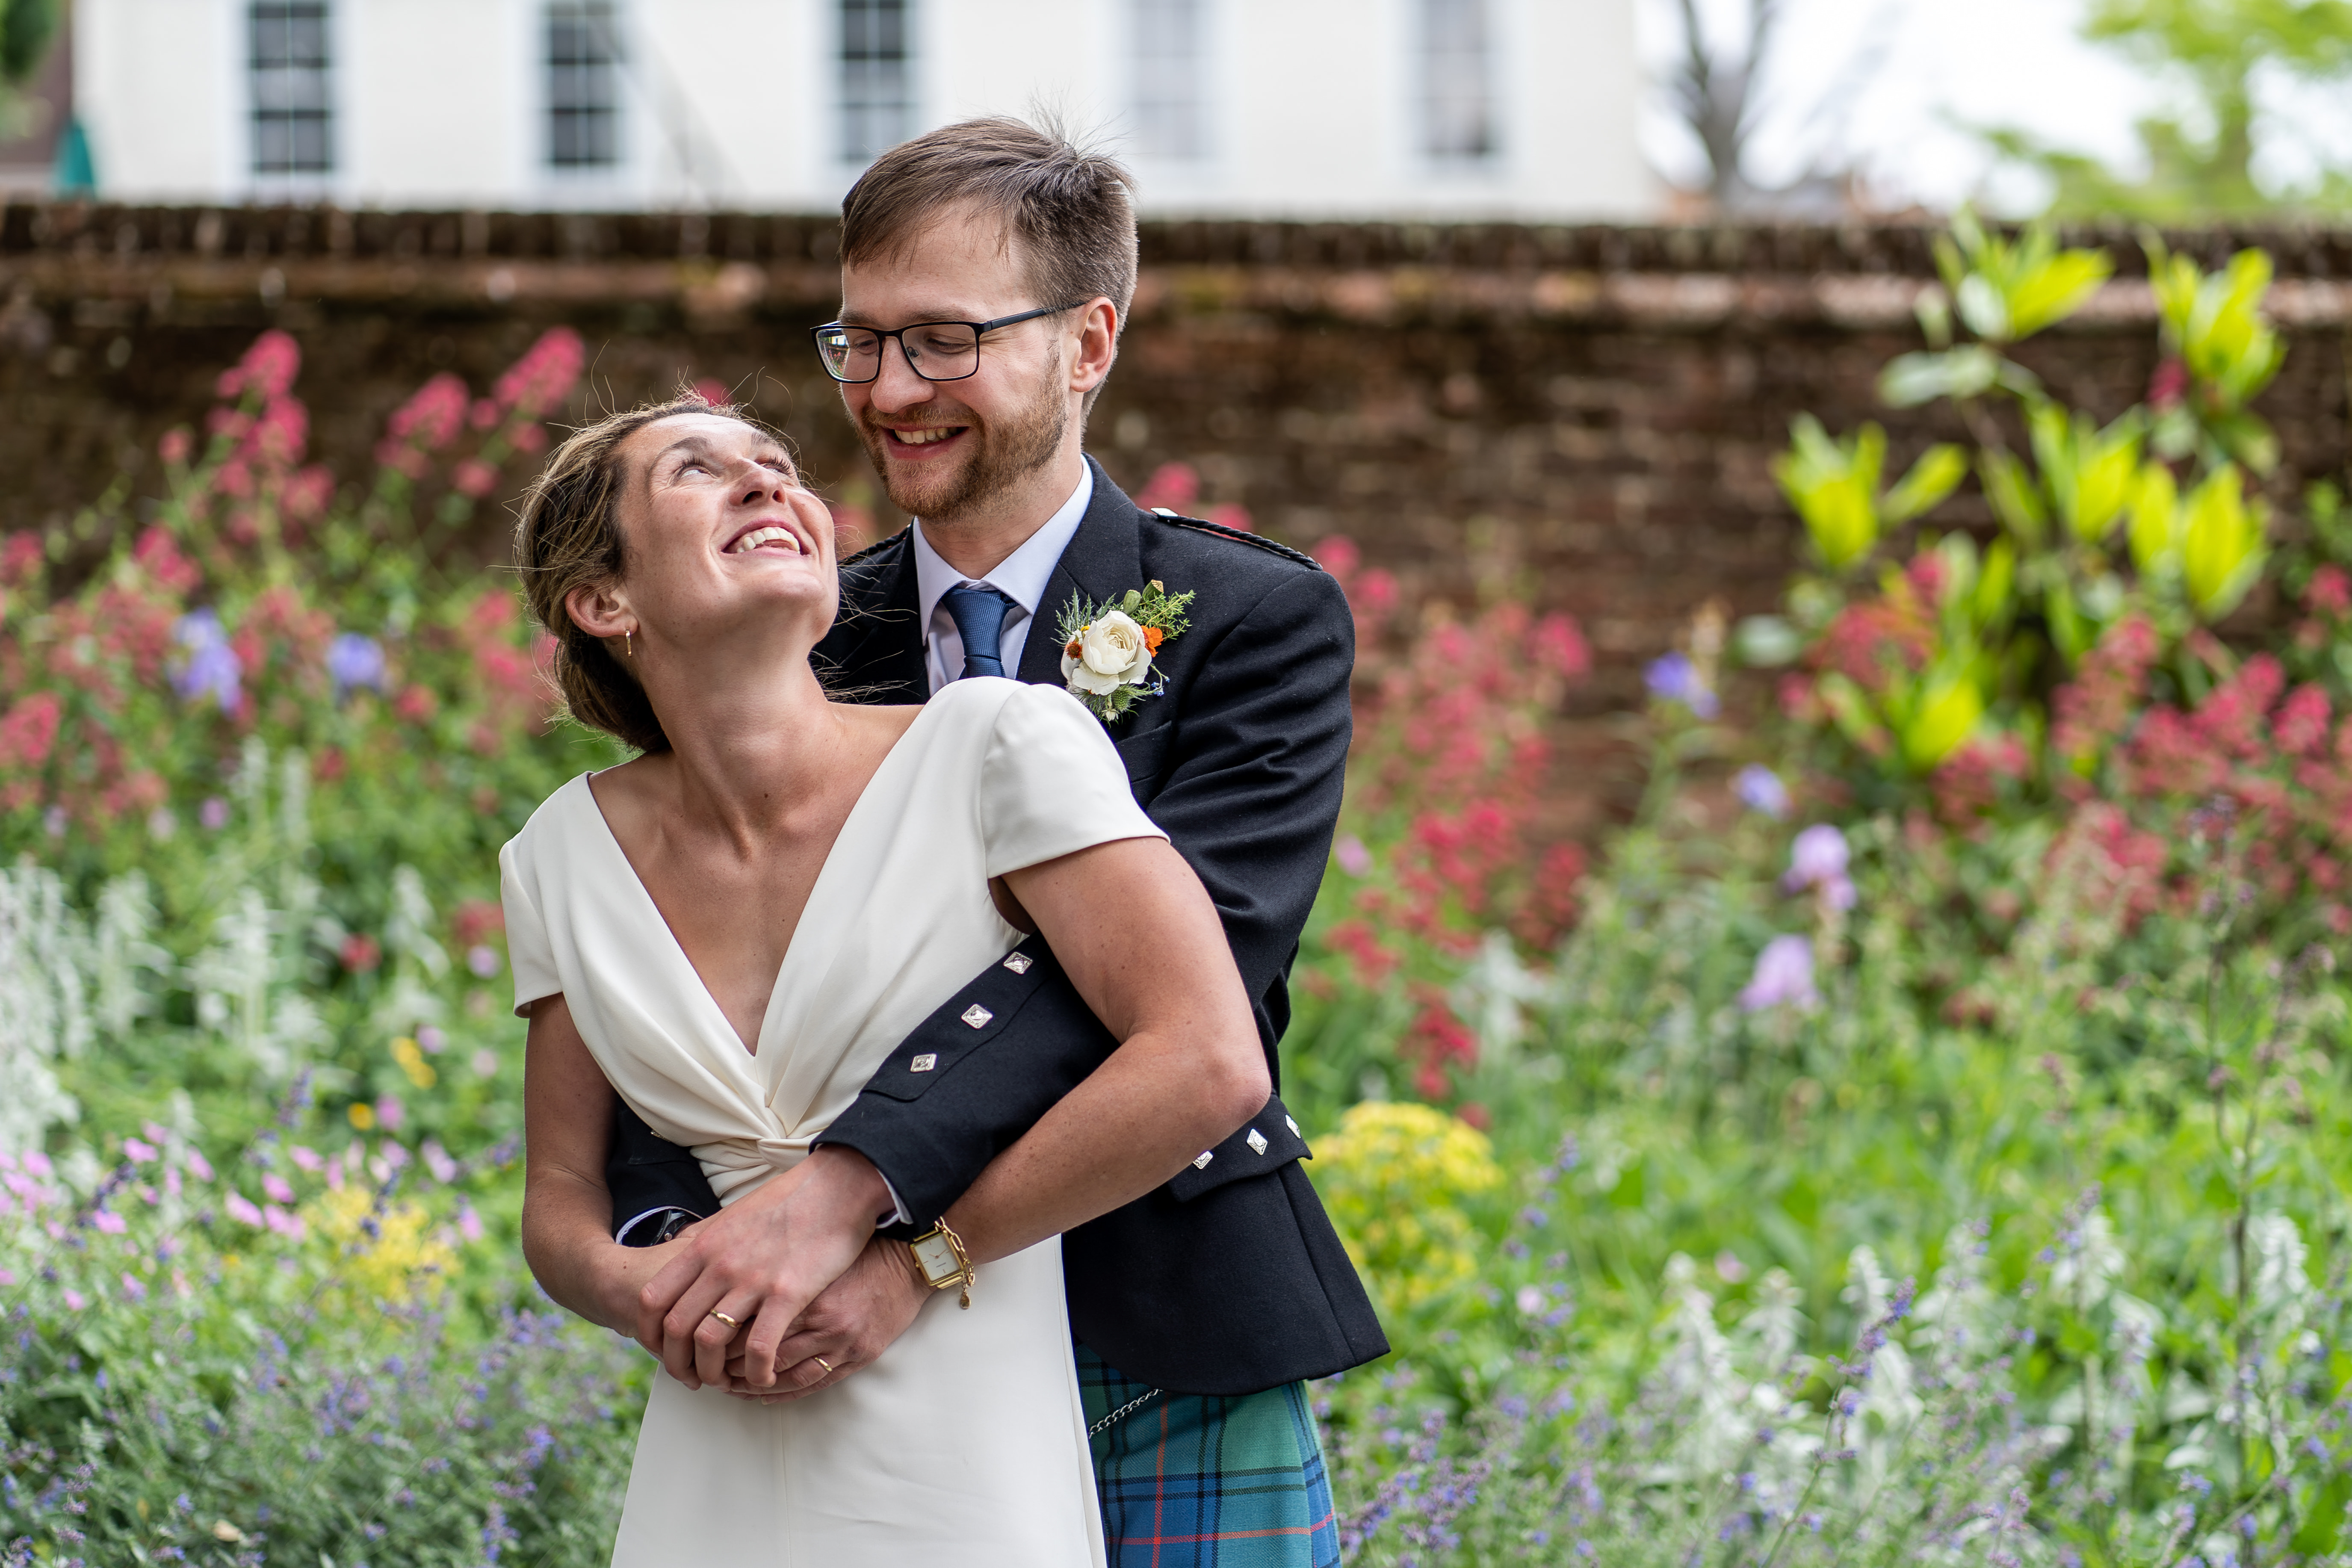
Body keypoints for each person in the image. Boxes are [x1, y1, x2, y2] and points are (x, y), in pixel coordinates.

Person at [604, 117, 1387, 1567]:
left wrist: (873, 1208)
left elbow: (1169, 988)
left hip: (1155, 1322)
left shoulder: (1248, 624)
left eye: (945, 339)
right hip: (840, 1338)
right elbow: (675, 961)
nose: (890, 392)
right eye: (863, 341)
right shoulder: (786, 630)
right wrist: (680, 1257)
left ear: (1088, 342)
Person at [506, 396, 1274, 1564]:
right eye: (697, 471)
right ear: (603, 600)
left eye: (777, 465)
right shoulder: (559, 854)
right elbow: (560, 1190)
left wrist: (914, 1260)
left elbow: (1207, 1059)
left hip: (959, 1428)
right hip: (718, 1439)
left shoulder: (997, 746)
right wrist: (642, 1289)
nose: (766, 482)